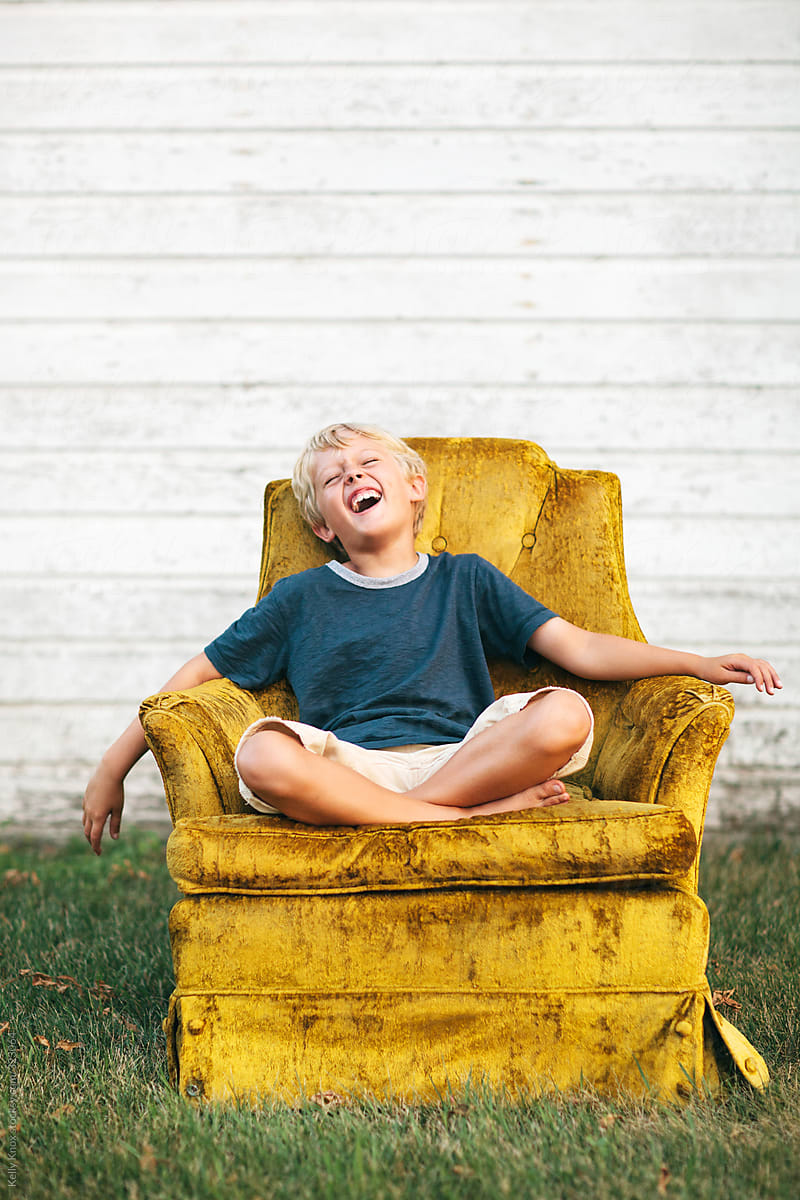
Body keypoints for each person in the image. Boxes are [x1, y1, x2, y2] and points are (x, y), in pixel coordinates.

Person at [82, 423, 781, 853]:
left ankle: (419, 814)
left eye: (369, 465)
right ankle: (455, 819)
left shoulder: (466, 580)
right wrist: (113, 766)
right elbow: (195, 676)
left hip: (469, 752)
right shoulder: (301, 597)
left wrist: (699, 662)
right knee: (261, 753)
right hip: (354, 770)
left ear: (414, 489)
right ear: (324, 525)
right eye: (333, 478)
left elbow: (584, 649)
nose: (353, 475)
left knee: (567, 710)